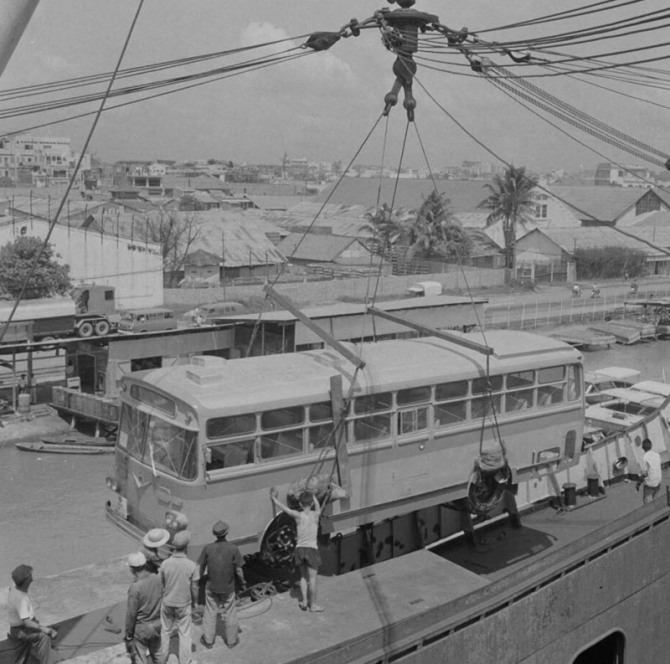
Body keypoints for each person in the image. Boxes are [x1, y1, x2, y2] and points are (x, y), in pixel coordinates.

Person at [270, 487, 324, 612]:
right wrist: (312, 494)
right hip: (311, 549)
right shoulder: (316, 515)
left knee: (303, 577)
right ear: (311, 503)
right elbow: (317, 506)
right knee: (313, 579)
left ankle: (304, 601)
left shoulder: (297, 515)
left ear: (300, 504)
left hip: (299, 549)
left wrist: (273, 498)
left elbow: (284, 508)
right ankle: (313, 605)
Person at [197, 520, 246, 650]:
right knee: (230, 612)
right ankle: (231, 641)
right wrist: (243, 583)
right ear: (227, 533)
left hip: (211, 587)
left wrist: (201, 579)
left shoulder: (208, 548)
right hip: (228, 588)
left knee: (210, 612)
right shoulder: (233, 548)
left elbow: (201, 567)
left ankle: (208, 641)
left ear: (214, 534)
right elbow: (239, 570)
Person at [158, 530, 198, 664]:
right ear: (186, 547)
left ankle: (162, 659)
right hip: (183, 605)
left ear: (174, 546)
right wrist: (195, 603)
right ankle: (185, 661)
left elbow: (161, 584)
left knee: (165, 632)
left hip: (167, 603)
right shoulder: (192, 565)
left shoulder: (165, 564)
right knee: (185, 634)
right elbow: (194, 587)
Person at [6, 564, 59, 664]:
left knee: (38, 624)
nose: (32, 580)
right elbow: (27, 622)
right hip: (21, 630)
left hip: (16, 628)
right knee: (44, 637)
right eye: (30, 577)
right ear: (25, 581)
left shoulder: (14, 587)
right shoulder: (21, 599)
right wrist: (46, 629)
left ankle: (45, 650)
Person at [124, 552, 162, 664]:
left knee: (140, 657)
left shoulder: (135, 588)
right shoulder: (157, 579)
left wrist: (128, 635)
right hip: (157, 624)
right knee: (158, 653)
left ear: (132, 569)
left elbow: (131, 614)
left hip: (141, 627)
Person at [638, 438, 662, 504]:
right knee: (657, 503)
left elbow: (644, 474)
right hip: (658, 482)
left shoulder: (644, 457)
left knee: (648, 505)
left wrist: (638, 484)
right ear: (651, 446)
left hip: (650, 485)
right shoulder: (657, 455)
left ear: (643, 447)